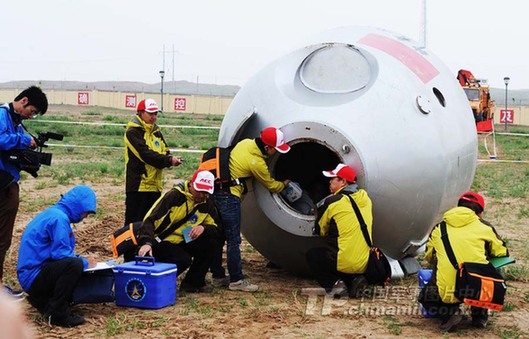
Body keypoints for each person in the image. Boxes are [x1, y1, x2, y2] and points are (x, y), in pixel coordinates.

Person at [211, 127, 291, 292]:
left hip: (216, 193)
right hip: (230, 198)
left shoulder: (246, 143)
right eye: (275, 149)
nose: (276, 153)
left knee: (218, 237)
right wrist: (284, 185)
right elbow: (271, 185)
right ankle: (236, 280)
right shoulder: (256, 162)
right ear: (267, 147)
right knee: (233, 239)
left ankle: (217, 276)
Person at [421, 192, 509, 332]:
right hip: (476, 289)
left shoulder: (439, 228)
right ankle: (479, 317)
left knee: (426, 296)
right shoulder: (485, 227)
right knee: (491, 269)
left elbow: (429, 257)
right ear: (479, 213)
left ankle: (450, 313)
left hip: (448, 292)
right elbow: (502, 252)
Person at [17, 185, 98, 327]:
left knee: (73, 263)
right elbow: (61, 255)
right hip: (33, 277)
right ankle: (58, 314)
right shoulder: (60, 219)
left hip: (31, 274)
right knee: (74, 265)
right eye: (86, 212)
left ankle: (43, 301)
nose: (85, 217)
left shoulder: (53, 213)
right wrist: (85, 263)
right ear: (78, 206)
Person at [136, 170, 221, 293]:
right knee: (182, 259)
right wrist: (146, 242)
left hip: (184, 238)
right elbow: (150, 219)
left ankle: (192, 284)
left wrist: (204, 228)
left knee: (211, 244)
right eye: (200, 190)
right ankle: (159, 283)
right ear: (191, 184)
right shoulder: (174, 196)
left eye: (206, 192)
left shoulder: (207, 203)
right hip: (161, 240)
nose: (202, 195)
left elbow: (217, 227)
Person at [0, 86, 48, 299]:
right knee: (2, 237)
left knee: (4, 237)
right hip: (3, 185)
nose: (33, 115)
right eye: (34, 110)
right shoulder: (2, 115)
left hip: (8, 182)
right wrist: (24, 141)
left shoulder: (15, 122)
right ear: (24, 100)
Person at [306, 163, 372, 298]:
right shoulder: (365, 197)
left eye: (333, 178)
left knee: (314, 255)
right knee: (346, 256)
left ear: (343, 182)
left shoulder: (332, 202)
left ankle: (336, 285)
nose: (329, 182)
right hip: (365, 262)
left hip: (343, 261)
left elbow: (320, 231)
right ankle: (355, 280)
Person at [124, 98, 182, 225]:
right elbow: (145, 154)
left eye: (155, 113)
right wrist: (168, 160)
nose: (154, 117)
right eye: (150, 113)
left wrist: (170, 158)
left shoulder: (156, 132)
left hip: (155, 186)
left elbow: (165, 150)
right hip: (138, 187)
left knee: (150, 223)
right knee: (133, 224)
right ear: (140, 113)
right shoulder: (132, 132)